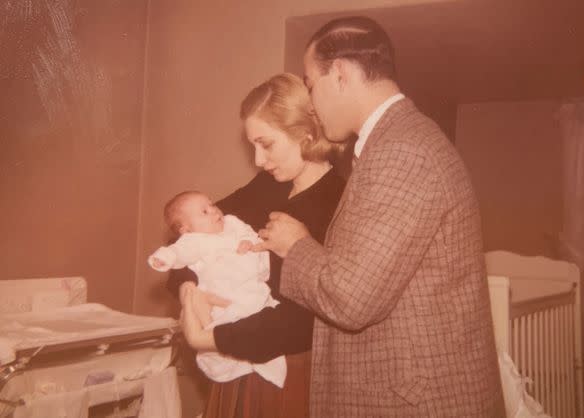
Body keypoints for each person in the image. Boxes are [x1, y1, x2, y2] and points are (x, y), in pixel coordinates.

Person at [252, 16, 506, 417]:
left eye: (311, 84)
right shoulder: (395, 143)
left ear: (340, 74)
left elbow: (350, 299)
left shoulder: (402, 151)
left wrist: (296, 245)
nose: (312, 106)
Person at [172, 72, 346, 417]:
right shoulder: (268, 188)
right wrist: (191, 293)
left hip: (290, 376)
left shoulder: (337, 205)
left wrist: (206, 339)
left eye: (266, 144)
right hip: (237, 364)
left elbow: (306, 323)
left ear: (305, 133)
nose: (258, 160)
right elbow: (184, 229)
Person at [148, 191, 286, 387]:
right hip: (222, 294)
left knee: (259, 311)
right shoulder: (193, 241)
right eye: (204, 212)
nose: (214, 210)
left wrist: (249, 241)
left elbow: (250, 233)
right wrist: (164, 258)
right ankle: (228, 363)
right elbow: (178, 252)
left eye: (212, 205)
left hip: (252, 286)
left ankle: (261, 362)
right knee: (226, 323)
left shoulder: (232, 223)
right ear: (186, 229)